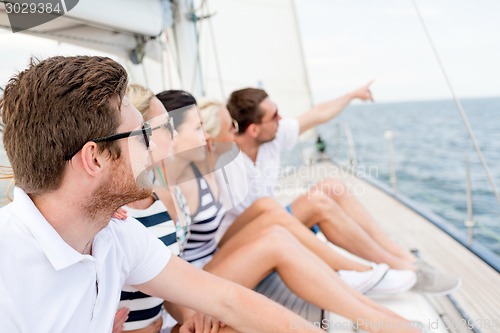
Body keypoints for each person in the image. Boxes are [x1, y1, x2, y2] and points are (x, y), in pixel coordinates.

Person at [0, 55, 323, 333]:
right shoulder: (9, 269)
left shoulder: (113, 233)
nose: (154, 146)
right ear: (94, 158)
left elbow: (228, 301)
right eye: (142, 135)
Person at [155, 90, 426, 333]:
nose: (208, 136)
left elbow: (317, 114)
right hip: (195, 282)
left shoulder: (199, 172)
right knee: (275, 237)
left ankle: (371, 290)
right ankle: (368, 292)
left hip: (209, 263)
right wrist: (189, 311)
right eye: (199, 128)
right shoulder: (168, 188)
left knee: (272, 214)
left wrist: (352, 94)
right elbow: (162, 274)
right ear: (168, 134)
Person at [224, 85, 460, 295]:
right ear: (254, 130)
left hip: (271, 220)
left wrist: (353, 95)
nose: (281, 118)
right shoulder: (227, 163)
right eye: (275, 116)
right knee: (315, 203)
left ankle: (406, 260)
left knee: (332, 186)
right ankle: (402, 269)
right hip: (242, 241)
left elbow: (318, 114)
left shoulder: (271, 136)